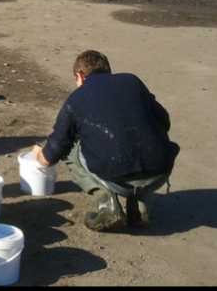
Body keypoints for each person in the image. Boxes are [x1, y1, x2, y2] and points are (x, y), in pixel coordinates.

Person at [33, 50, 179, 231]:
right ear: (108, 71)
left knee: (70, 150)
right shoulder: (132, 81)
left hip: (117, 177)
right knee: (145, 136)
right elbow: (164, 120)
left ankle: (107, 204)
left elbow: (51, 156)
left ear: (80, 76)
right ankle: (139, 207)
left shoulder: (76, 99)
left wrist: (38, 154)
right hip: (160, 171)